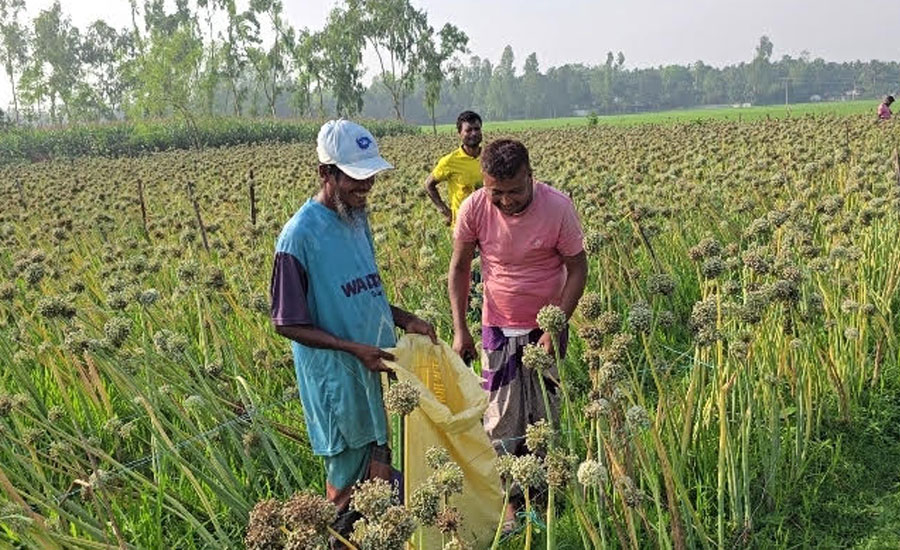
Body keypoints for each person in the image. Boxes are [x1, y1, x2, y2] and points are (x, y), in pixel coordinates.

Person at [270, 119, 436, 540]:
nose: (366, 188)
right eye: (356, 179)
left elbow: (364, 291)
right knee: (348, 491)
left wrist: (405, 319)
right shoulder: (297, 237)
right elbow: (287, 322)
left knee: (383, 479)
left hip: (377, 370)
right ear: (326, 173)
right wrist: (353, 349)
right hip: (338, 386)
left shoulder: (355, 218)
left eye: (370, 178)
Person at [447, 138, 588, 524]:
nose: (506, 201)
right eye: (497, 192)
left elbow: (578, 269)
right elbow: (459, 268)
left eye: (515, 191)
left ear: (531, 176)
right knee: (501, 417)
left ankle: (546, 496)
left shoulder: (558, 206)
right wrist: (461, 330)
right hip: (496, 327)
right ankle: (510, 502)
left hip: (547, 326)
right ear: (484, 183)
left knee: (545, 412)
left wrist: (556, 321)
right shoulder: (474, 207)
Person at [424, 111, 484, 226]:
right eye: (468, 130)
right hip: (463, 225)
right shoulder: (450, 161)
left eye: (477, 129)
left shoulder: (489, 156)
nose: (474, 133)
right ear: (459, 134)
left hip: (488, 222)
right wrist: (445, 211)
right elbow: (428, 184)